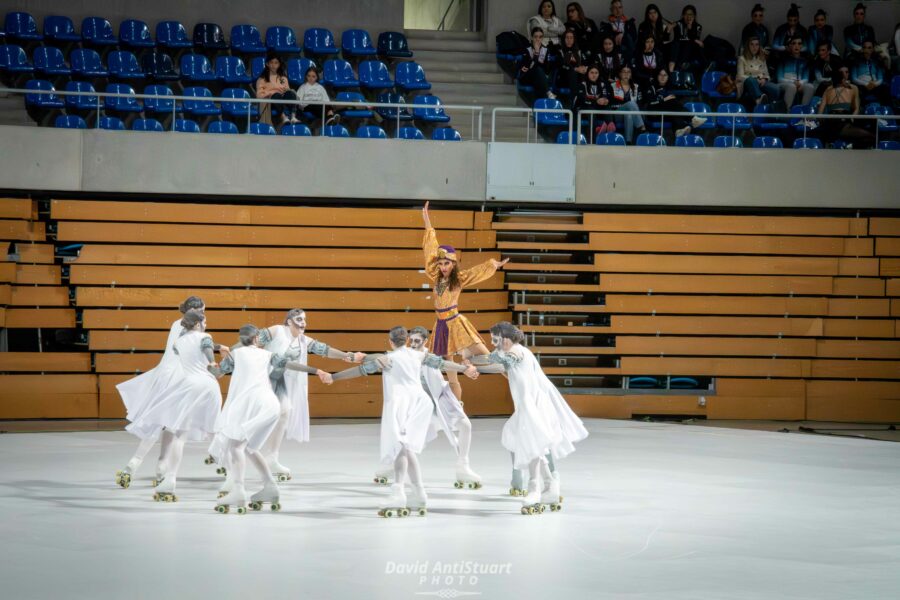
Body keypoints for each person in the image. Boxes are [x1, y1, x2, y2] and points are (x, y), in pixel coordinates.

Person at [331, 326, 478, 517]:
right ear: (407, 340)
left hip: (403, 403)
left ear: (391, 341)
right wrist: (465, 368)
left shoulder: (390, 358)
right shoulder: (416, 356)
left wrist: (333, 376)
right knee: (406, 448)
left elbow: (362, 369)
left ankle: (398, 491)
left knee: (400, 446)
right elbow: (442, 364)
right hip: (421, 402)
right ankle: (419, 493)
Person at [209, 325, 332, 514]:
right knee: (250, 448)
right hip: (270, 405)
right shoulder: (267, 355)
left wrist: (215, 362)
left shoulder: (236, 355)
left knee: (236, 447)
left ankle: (239, 490)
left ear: (241, 339)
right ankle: (270, 487)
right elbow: (289, 364)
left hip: (253, 404)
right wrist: (317, 371)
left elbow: (217, 373)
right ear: (257, 339)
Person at [469, 322, 588, 515]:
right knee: (526, 443)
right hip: (526, 407)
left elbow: (504, 363)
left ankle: (534, 487)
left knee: (532, 445)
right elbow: (494, 361)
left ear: (507, 339)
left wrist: (475, 365)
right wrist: (471, 362)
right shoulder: (510, 351)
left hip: (534, 407)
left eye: (496, 339)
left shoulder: (517, 351)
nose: (494, 343)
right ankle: (549, 486)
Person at [115, 296, 226, 488]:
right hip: (177, 376)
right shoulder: (192, 329)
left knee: (164, 423)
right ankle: (157, 467)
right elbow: (197, 343)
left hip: (163, 374)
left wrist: (217, 346)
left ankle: (142, 466)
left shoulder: (178, 323)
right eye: (203, 311)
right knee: (171, 425)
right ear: (197, 311)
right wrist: (218, 349)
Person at [251, 309, 363, 482]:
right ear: (289, 321)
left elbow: (324, 350)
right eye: (299, 319)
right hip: (264, 380)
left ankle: (271, 456)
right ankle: (233, 448)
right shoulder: (277, 330)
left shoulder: (303, 340)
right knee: (262, 416)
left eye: (304, 319)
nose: (303, 322)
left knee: (283, 413)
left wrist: (347, 356)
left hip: (282, 383)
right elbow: (252, 341)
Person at [372, 326, 483, 489]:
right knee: (409, 441)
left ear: (425, 341)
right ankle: (391, 467)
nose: (414, 343)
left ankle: (463, 465)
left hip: (440, 399)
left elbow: (445, 365)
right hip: (418, 404)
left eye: (418, 340)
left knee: (465, 425)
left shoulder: (427, 356)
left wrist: (465, 369)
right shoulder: (407, 355)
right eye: (412, 340)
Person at [421, 202, 508, 403]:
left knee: (489, 359)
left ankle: (520, 383)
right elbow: (430, 250)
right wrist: (427, 222)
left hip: (456, 323)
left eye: (447, 263)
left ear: (453, 263)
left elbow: (477, 272)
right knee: (450, 374)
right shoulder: (435, 275)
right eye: (441, 263)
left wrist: (492, 264)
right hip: (441, 326)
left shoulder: (459, 278)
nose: (443, 267)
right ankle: (457, 411)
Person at [818, 66, 875, 148]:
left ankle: (848, 145)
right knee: (871, 137)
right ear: (841, 77)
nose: (846, 74)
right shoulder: (848, 89)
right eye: (843, 73)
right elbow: (855, 107)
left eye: (847, 72)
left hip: (834, 122)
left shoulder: (830, 90)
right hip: (840, 123)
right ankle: (850, 146)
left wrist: (851, 118)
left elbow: (819, 114)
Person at [640, 67, 706, 137]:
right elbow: (650, 103)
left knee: (675, 112)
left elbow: (690, 87)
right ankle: (692, 119)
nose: (662, 77)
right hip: (654, 114)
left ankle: (678, 130)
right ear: (657, 76)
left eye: (665, 75)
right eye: (660, 75)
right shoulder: (652, 87)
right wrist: (664, 99)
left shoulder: (669, 87)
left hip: (666, 114)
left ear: (668, 77)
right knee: (672, 101)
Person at [255, 51, 297, 127]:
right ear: (267, 64)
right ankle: (283, 117)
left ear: (279, 64)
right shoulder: (262, 79)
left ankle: (293, 116)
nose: (273, 65)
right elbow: (258, 95)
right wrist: (269, 93)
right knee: (276, 95)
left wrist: (288, 91)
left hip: (283, 100)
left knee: (291, 93)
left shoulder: (283, 78)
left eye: (276, 63)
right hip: (272, 101)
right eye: (271, 62)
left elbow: (287, 90)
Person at [737, 36, 780, 106]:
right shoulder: (742, 59)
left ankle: (771, 107)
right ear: (748, 46)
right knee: (750, 80)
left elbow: (767, 75)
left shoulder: (762, 58)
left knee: (776, 88)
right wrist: (756, 79)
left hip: (761, 82)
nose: (754, 47)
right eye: (752, 44)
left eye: (757, 44)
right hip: (747, 83)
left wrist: (764, 79)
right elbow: (740, 76)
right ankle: (759, 99)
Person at [575, 65, 616, 136]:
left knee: (607, 108)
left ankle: (610, 132)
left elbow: (609, 96)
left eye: (596, 73)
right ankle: (592, 138)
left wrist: (606, 100)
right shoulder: (582, 84)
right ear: (587, 73)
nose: (594, 75)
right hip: (584, 109)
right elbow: (582, 100)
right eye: (592, 73)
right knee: (591, 111)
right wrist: (596, 101)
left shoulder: (603, 84)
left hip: (597, 109)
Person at [519, 28, 558, 100]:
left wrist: (536, 62)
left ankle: (541, 105)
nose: (538, 39)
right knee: (538, 69)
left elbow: (547, 69)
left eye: (540, 37)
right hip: (527, 77)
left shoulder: (545, 50)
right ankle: (548, 92)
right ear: (531, 38)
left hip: (540, 77)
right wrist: (536, 54)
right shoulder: (526, 49)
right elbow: (528, 67)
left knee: (540, 73)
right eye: (535, 36)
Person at [610, 64, 646, 142]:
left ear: (631, 74)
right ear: (619, 74)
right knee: (631, 104)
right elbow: (611, 103)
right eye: (624, 72)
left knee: (629, 114)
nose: (626, 74)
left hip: (632, 114)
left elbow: (640, 103)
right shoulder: (613, 86)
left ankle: (628, 142)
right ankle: (642, 127)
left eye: (628, 72)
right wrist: (626, 106)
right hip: (617, 113)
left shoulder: (636, 87)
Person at [776, 36, 815, 107]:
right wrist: (793, 82)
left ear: (802, 46)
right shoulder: (783, 59)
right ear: (789, 46)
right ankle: (787, 112)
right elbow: (779, 79)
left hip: (799, 84)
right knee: (792, 86)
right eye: (794, 43)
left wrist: (799, 83)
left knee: (810, 86)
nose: (797, 46)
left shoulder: (805, 61)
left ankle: (803, 112)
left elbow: (806, 78)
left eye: (799, 44)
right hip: (785, 84)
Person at [851, 40, 890, 105]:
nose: (867, 50)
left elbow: (880, 78)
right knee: (856, 90)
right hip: (862, 86)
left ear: (872, 50)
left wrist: (875, 84)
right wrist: (866, 84)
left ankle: (884, 111)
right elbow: (853, 78)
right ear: (862, 49)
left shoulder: (876, 62)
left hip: (874, 85)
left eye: (869, 48)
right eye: (864, 47)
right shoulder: (856, 62)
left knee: (884, 89)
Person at [668, 5, 704, 75]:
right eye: (686, 14)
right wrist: (669, 29)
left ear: (694, 16)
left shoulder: (698, 27)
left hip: (691, 48)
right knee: (676, 44)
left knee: (691, 45)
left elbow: (695, 40)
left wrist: (690, 29)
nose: (688, 16)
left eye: (690, 14)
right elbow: (677, 38)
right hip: (679, 47)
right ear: (683, 15)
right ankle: (673, 69)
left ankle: (677, 69)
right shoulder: (678, 24)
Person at [558, 29, 588, 105]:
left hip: (578, 76)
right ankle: (574, 98)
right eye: (567, 37)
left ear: (574, 39)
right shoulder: (560, 50)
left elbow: (585, 63)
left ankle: (586, 97)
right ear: (563, 39)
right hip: (564, 77)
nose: (569, 40)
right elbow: (561, 65)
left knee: (588, 72)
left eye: (571, 38)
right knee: (573, 72)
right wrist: (575, 69)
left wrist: (584, 68)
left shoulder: (578, 51)